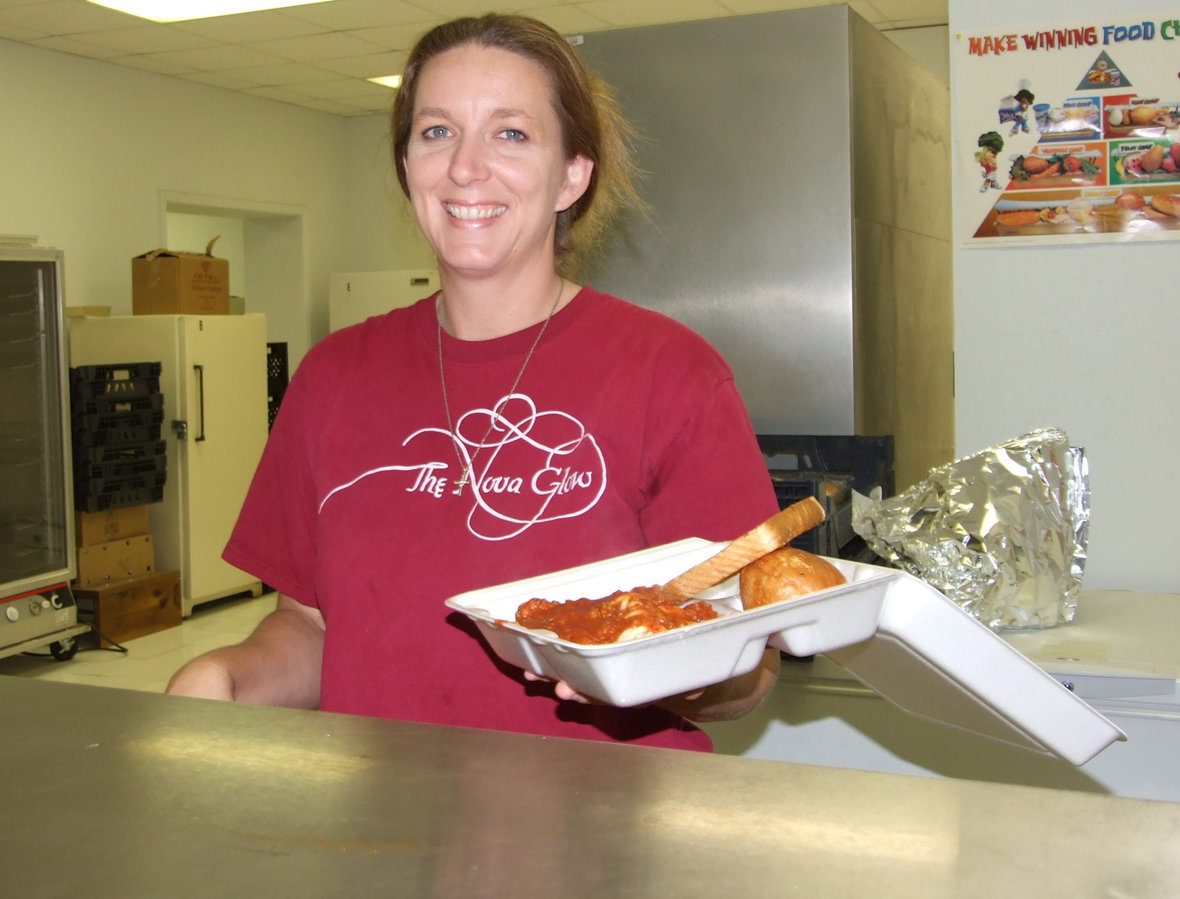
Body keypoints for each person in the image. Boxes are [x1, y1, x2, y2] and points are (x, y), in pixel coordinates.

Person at [166, 14, 781, 751]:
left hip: (608, 845)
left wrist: (676, 668)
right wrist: (228, 677)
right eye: (436, 132)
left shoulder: (671, 375)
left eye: (511, 133)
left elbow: (755, 671)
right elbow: (310, 624)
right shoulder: (334, 378)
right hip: (384, 840)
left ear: (573, 175)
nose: (465, 167)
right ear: (407, 165)